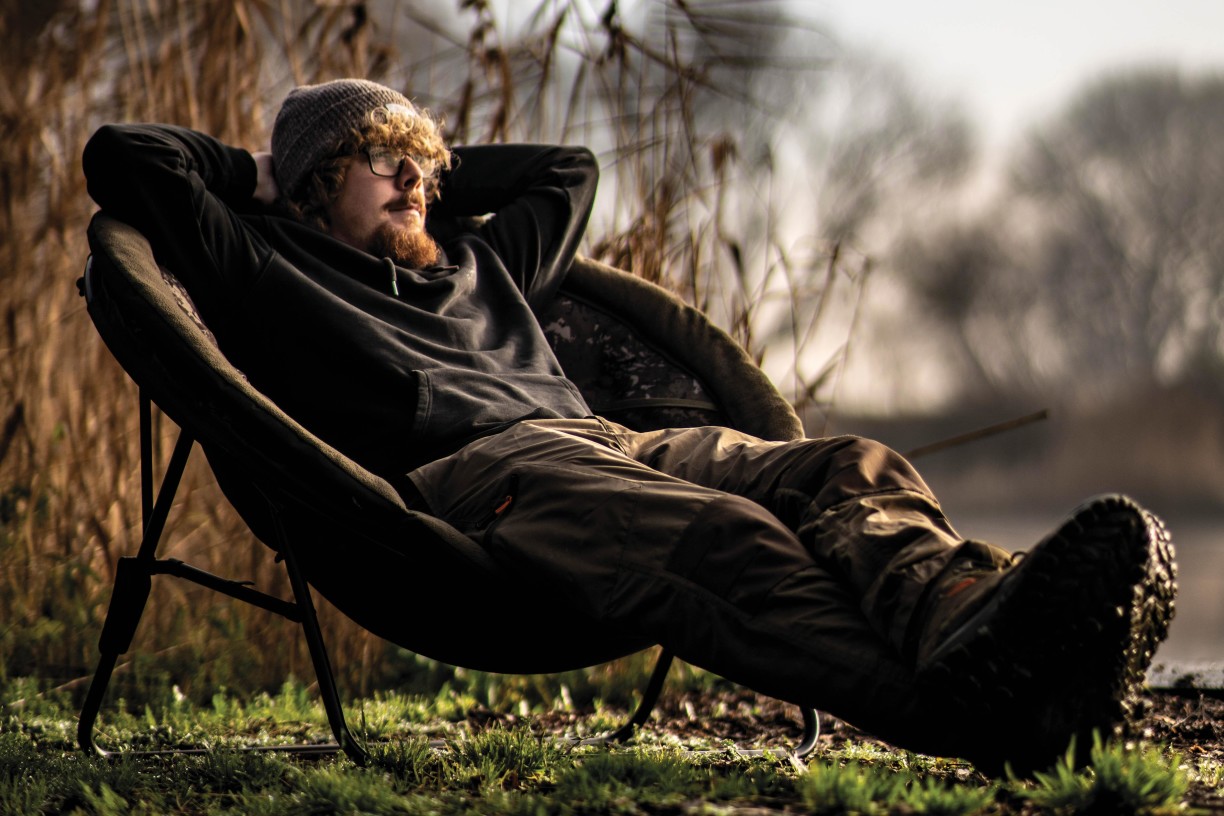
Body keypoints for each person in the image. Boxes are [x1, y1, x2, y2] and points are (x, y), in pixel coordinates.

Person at [82, 78, 1176, 775]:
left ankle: (963, 620)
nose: (416, 176)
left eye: (425, 159)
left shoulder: (479, 262)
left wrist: (423, 177)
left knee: (848, 464)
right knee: (722, 543)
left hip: (609, 444)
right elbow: (125, 161)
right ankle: (975, 714)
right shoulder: (267, 265)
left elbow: (571, 171)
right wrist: (261, 176)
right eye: (382, 159)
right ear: (315, 182)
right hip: (477, 480)